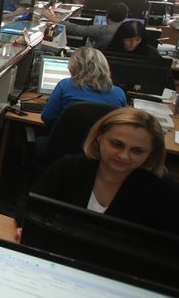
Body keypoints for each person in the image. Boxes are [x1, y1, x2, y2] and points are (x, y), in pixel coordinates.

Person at [25, 107, 179, 234]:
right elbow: (28, 206)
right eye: (117, 144)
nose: (124, 156)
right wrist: (20, 226)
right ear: (99, 138)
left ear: (151, 153)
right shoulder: (69, 167)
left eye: (137, 151)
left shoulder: (163, 191)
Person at [40, 47, 126, 130]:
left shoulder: (65, 85)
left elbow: (47, 117)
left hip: (66, 139)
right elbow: (122, 124)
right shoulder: (119, 94)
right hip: (100, 140)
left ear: (74, 66)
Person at [42, 2, 128, 50]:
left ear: (107, 15)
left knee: (52, 32)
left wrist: (49, 17)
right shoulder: (129, 31)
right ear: (125, 17)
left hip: (95, 62)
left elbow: (74, 29)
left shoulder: (102, 30)